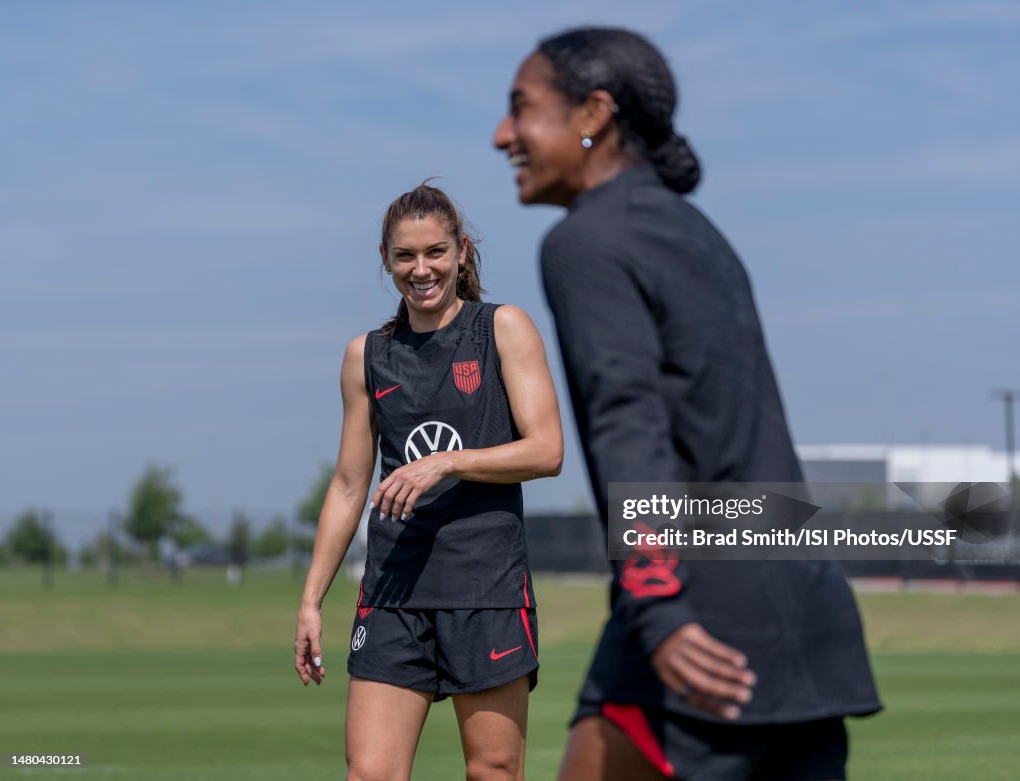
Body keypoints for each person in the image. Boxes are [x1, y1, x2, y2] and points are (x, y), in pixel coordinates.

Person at [494, 28, 882, 781]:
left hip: (704, 616)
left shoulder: (585, 242)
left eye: (521, 108)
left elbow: (626, 419)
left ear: (594, 114)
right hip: (805, 611)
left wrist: (660, 608)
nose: (503, 133)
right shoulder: (699, 234)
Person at [293, 182, 564, 781]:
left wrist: (448, 461)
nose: (422, 270)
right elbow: (346, 485)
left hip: (486, 587)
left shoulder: (503, 329)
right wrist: (312, 600)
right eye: (406, 256)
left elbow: (547, 451)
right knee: (370, 774)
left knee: (492, 771)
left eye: (435, 252)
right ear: (386, 260)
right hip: (394, 593)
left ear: (462, 251)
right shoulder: (366, 355)